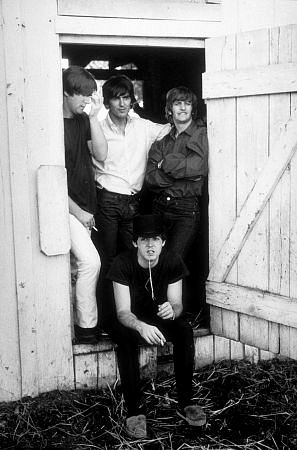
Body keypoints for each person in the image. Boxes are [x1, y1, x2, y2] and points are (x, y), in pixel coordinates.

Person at [106, 214, 206, 439]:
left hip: (157, 317)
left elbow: (177, 303)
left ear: (163, 242)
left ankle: (186, 402)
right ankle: (134, 412)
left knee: (183, 329)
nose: (150, 245)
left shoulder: (172, 260)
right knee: (125, 336)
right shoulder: (122, 263)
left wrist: (172, 310)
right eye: (144, 239)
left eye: (155, 239)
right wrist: (140, 327)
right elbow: (122, 312)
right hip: (131, 319)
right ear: (135, 242)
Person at [92, 75, 170, 326]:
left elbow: (170, 130)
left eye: (126, 97)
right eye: (116, 98)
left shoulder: (143, 126)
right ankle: (106, 322)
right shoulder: (98, 127)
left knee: (131, 262)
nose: (122, 103)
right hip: (107, 201)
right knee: (107, 262)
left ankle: (132, 317)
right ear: (107, 102)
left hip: (133, 203)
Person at [145, 86, 208, 317]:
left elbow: (199, 168)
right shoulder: (163, 140)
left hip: (185, 209)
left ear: (193, 108)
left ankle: (181, 314)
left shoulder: (200, 134)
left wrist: (166, 165)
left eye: (187, 103)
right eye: (177, 103)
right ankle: (160, 312)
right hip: (161, 206)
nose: (182, 107)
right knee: (156, 260)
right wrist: (181, 169)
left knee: (175, 260)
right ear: (169, 109)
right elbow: (150, 178)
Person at [63, 65, 107, 344]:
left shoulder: (82, 120)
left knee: (76, 270)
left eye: (89, 97)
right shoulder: (53, 125)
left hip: (86, 206)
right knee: (91, 262)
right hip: (66, 208)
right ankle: (87, 327)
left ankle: (73, 329)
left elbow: (102, 153)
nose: (85, 101)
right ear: (66, 93)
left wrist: (93, 116)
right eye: (81, 96)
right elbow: (52, 180)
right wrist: (78, 212)